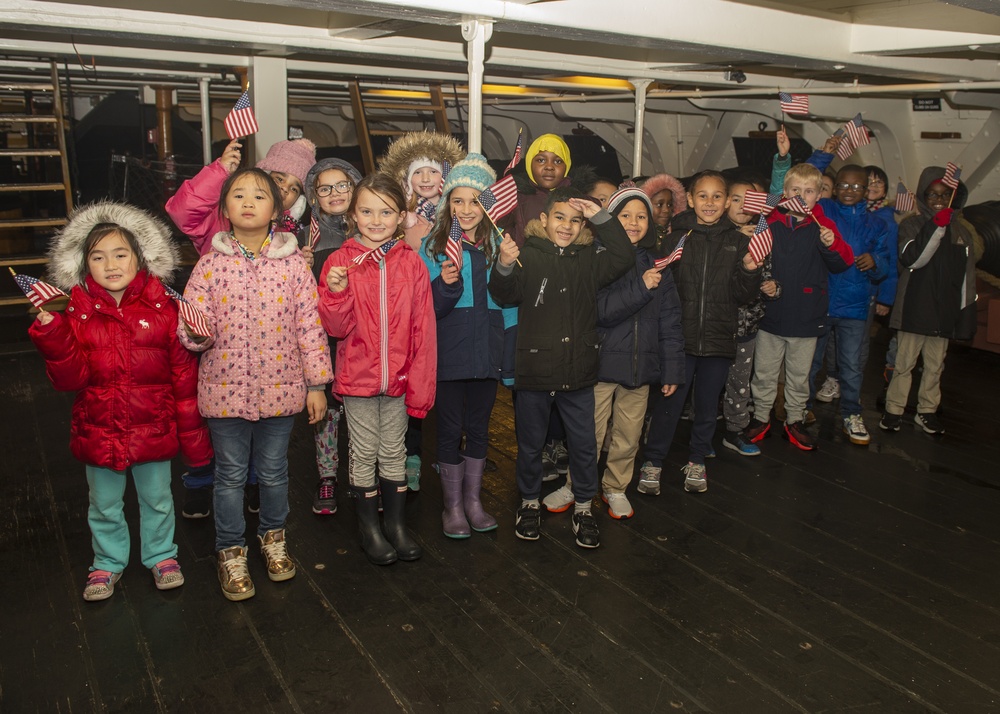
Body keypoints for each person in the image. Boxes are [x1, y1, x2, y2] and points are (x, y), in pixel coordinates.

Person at [29, 202, 212, 601]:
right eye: (98, 256)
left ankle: (162, 555)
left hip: (154, 427)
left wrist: (193, 437)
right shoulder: (75, 314)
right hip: (100, 428)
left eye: (120, 253)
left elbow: (183, 377)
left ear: (141, 257)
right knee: (105, 504)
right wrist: (53, 335)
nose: (110, 264)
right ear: (83, 263)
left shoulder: (165, 310)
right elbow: (69, 379)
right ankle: (107, 562)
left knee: (158, 499)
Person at [179, 168, 332, 601]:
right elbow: (189, 327)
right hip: (224, 391)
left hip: (282, 390)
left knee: (274, 471)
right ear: (225, 209)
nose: (248, 202)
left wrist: (317, 383)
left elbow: (309, 326)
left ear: (277, 210)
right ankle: (230, 549)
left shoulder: (293, 267)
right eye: (238, 195)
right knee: (228, 475)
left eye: (259, 195)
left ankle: (273, 538)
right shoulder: (209, 266)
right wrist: (198, 334)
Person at [166, 136, 317, 517]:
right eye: (279, 178)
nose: (283, 189)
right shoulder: (224, 216)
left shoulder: (288, 244)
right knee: (204, 431)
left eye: (292, 186)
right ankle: (201, 487)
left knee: (266, 461)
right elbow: (182, 212)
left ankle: (256, 498)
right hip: (217, 344)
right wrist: (220, 172)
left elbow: (305, 320)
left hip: (271, 364)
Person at [489, 188, 633, 548]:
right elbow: (503, 293)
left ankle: (584, 506)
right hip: (535, 368)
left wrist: (600, 215)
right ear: (544, 220)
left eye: (575, 220)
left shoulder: (590, 259)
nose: (567, 226)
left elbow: (624, 255)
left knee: (584, 445)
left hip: (578, 370)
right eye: (559, 218)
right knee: (530, 443)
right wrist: (504, 264)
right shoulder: (527, 256)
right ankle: (528, 502)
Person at [318, 173, 436, 565]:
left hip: (400, 379)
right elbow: (335, 329)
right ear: (353, 213)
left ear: (401, 216)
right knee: (364, 451)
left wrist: (420, 383)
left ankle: (397, 526)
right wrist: (335, 293)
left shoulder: (413, 264)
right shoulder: (339, 261)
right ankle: (370, 529)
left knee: (394, 451)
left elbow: (423, 327)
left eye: (385, 211)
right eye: (366, 211)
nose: (375, 219)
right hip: (358, 378)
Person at [638, 171, 762, 495]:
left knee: (707, 407)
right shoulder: (674, 238)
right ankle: (653, 461)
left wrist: (750, 271)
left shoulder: (738, 242)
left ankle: (697, 460)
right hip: (679, 341)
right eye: (702, 196)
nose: (709, 202)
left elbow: (744, 295)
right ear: (691, 200)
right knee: (669, 406)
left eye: (717, 196)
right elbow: (662, 292)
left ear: (727, 202)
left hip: (719, 341)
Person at [419, 154, 503, 538]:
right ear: (446, 202)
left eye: (475, 201)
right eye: (458, 200)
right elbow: (426, 310)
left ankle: (473, 500)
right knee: (450, 430)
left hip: (487, 352)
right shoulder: (433, 247)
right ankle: (452, 506)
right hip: (450, 353)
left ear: (488, 203)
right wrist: (447, 286)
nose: (466, 209)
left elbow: (509, 304)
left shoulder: (498, 244)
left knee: (480, 428)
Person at [744, 164, 854, 451]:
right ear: (785, 192)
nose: (801, 196)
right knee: (764, 372)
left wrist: (831, 245)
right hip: (772, 312)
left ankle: (795, 419)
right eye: (795, 190)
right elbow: (757, 259)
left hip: (807, 314)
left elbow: (843, 263)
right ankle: (760, 416)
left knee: (799, 376)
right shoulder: (771, 222)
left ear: (818, 195)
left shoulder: (822, 227)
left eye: (808, 191)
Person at [377, 131, 465, 490]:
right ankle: (409, 455)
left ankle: (447, 455)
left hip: (447, 306)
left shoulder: (455, 213)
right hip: (410, 312)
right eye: (418, 173)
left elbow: (486, 204)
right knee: (410, 388)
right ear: (407, 179)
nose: (426, 180)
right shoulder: (399, 219)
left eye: (433, 172)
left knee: (444, 390)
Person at [591, 188, 684, 519]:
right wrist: (641, 287)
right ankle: (580, 486)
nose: (633, 222)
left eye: (641, 216)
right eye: (625, 215)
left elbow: (670, 321)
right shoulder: (598, 258)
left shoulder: (659, 263)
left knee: (628, 437)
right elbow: (600, 311)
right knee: (590, 434)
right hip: (600, 366)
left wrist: (672, 369)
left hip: (641, 368)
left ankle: (615, 487)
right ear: (611, 220)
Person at [880, 167, 978, 435]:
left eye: (945, 195)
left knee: (935, 366)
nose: (937, 199)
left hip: (943, 312)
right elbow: (913, 259)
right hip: (915, 308)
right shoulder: (911, 225)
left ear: (953, 197)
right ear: (923, 196)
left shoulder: (962, 233)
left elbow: (968, 277)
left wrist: (966, 312)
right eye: (932, 194)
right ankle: (894, 410)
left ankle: (927, 411)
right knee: (904, 364)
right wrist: (936, 226)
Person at [809, 165, 891, 445]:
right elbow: (804, 179)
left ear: (866, 191)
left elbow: (885, 266)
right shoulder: (824, 210)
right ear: (833, 187)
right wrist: (823, 157)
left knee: (852, 365)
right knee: (811, 360)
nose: (849, 191)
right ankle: (802, 408)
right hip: (821, 301)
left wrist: (875, 262)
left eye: (857, 187)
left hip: (855, 306)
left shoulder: (877, 224)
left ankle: (852, 414)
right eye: (843, 185)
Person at [301, 158, 364, 517]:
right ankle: (327, 476)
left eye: (342, 185)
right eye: (325, 188)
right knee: (327, 414)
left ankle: (359, 475)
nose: (335, 193)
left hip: (361, 338)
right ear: (315, 197)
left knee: (360, 411)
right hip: (324, 340)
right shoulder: (304, 238)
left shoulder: (372, 229)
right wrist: (299, 260)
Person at [640, 173, 687, 250]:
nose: (666, 210)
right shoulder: (639, 237)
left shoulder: (677, 237)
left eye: (670, 205)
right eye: (659, 205)